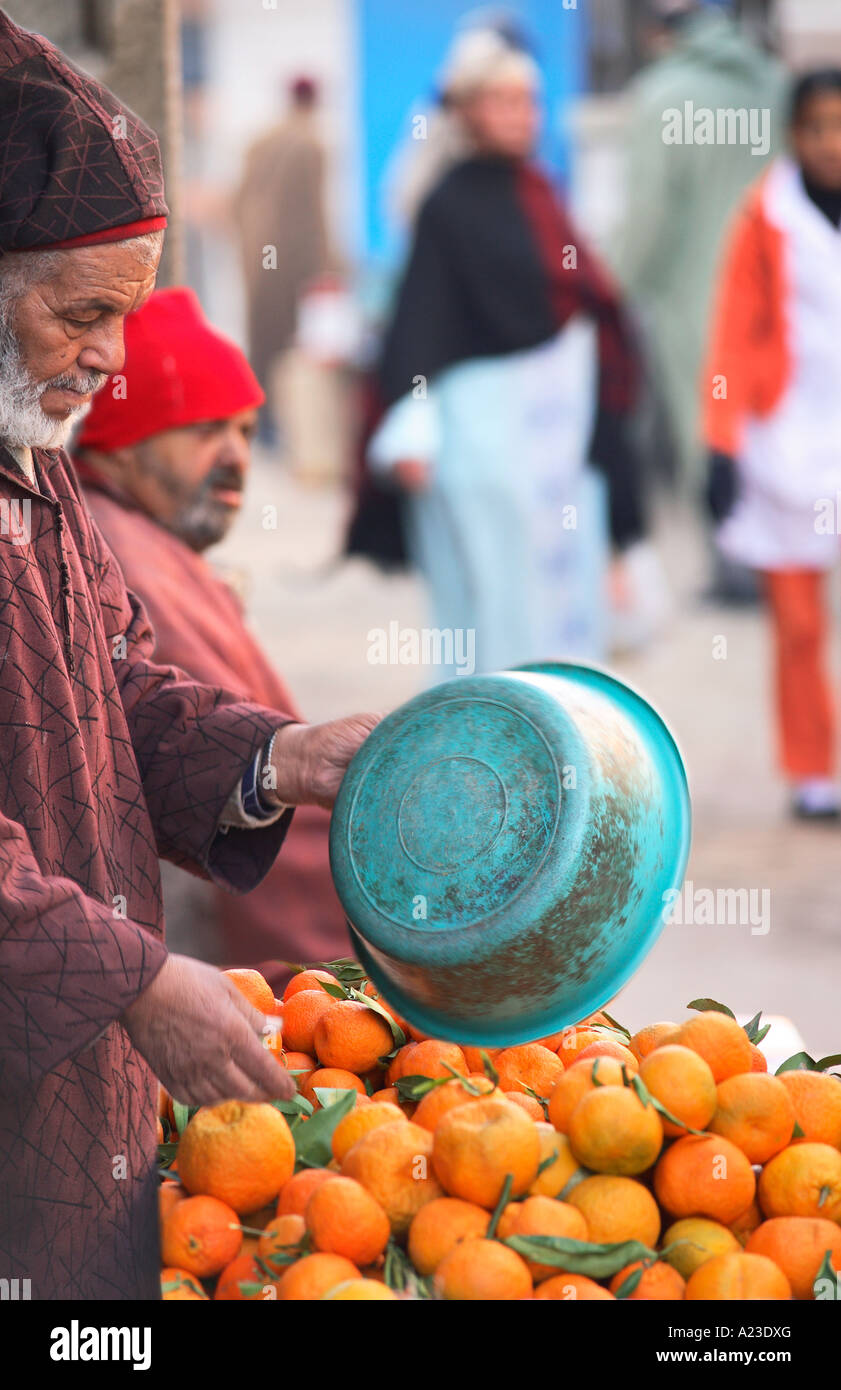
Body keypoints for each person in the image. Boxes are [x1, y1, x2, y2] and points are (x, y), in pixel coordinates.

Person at [0, 13, 375, 1300]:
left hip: (70, 1114)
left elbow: (111, 689)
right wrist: (138, 974)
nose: (110, 359)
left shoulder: (37, 472)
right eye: (80, 315)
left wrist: (279, 754)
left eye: (128, 313)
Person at [73, 286, 349, 979]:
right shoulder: (129, 561)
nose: (234, 457)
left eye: (247, 433)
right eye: (203, 429)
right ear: (124, 443)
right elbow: (180, 742)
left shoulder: (146, 541)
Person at [367, 27, 645, 678]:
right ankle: (496, 747)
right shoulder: (448, 203)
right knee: (494, 602)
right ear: (465, 110)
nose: (520, 115)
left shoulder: (539, 190)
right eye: (501, 100)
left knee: (561, 599)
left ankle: (563, 748)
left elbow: (583, 298)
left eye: (528, 100)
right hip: (483, 435)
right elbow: (422, 319)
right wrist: (411, 420)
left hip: (558, 433)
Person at [703, 70, 841, 821]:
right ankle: (813, 770)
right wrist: (718, 440)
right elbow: (733, 332)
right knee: (797, 623)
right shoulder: (764, 215)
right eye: (816, 126)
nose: (830, 142)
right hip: (786, 443)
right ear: (793, 133)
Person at [612, 0, 785, 503]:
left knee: (707, 423)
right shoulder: (775, 85)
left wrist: (611, 290)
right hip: (781, 289)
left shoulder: (659, 97)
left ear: (659, 35)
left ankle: (729, 552)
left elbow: (647, 220)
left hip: (696, 297)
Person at [234, 75, 334, 444]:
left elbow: (238, 201)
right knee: (295, 345)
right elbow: (315, 214)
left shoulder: (261, 141)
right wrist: (329, 267)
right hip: (294, 262)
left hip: (255, 256)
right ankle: (288, 431)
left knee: (262, 340)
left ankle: (260, 422)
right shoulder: (311, 144)